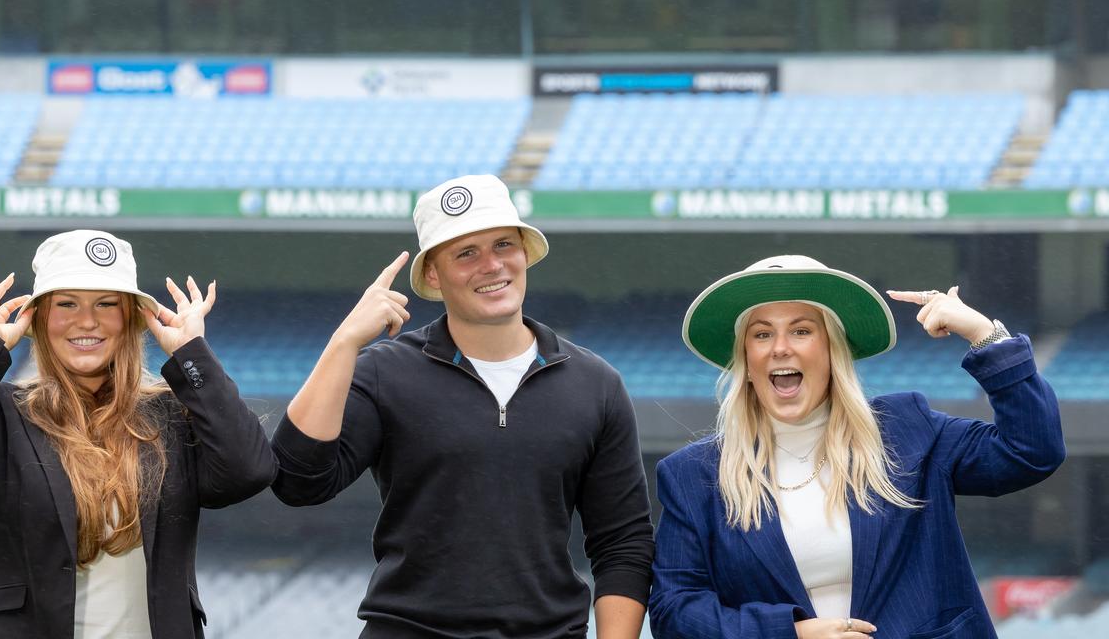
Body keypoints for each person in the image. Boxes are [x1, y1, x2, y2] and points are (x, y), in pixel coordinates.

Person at [271, 175, 655, 638]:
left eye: (503, 245)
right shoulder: (383, 371)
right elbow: (299, 482)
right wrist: (344, 342)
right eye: (466, 253)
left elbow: (622, 545)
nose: (491, 266)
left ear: (524, 254)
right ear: (433, 274)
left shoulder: (596, 384)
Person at [648, 255, 1065, 639]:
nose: (780, 347)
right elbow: (675, 609)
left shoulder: (906, 430)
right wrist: (790, 633)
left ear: (832, 350)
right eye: (762, 334)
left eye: (801, 330)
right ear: (746, 359)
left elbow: (1031, 451)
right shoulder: (694, 474)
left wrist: (984, 334)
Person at [0, 229, 276, 638]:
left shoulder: (172, 417)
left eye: (107, 304)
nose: (87, 321)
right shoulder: (0, 413)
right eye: (67, 304)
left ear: (130, 317)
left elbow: (249, 470)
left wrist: (191, 354)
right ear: (38, 318)